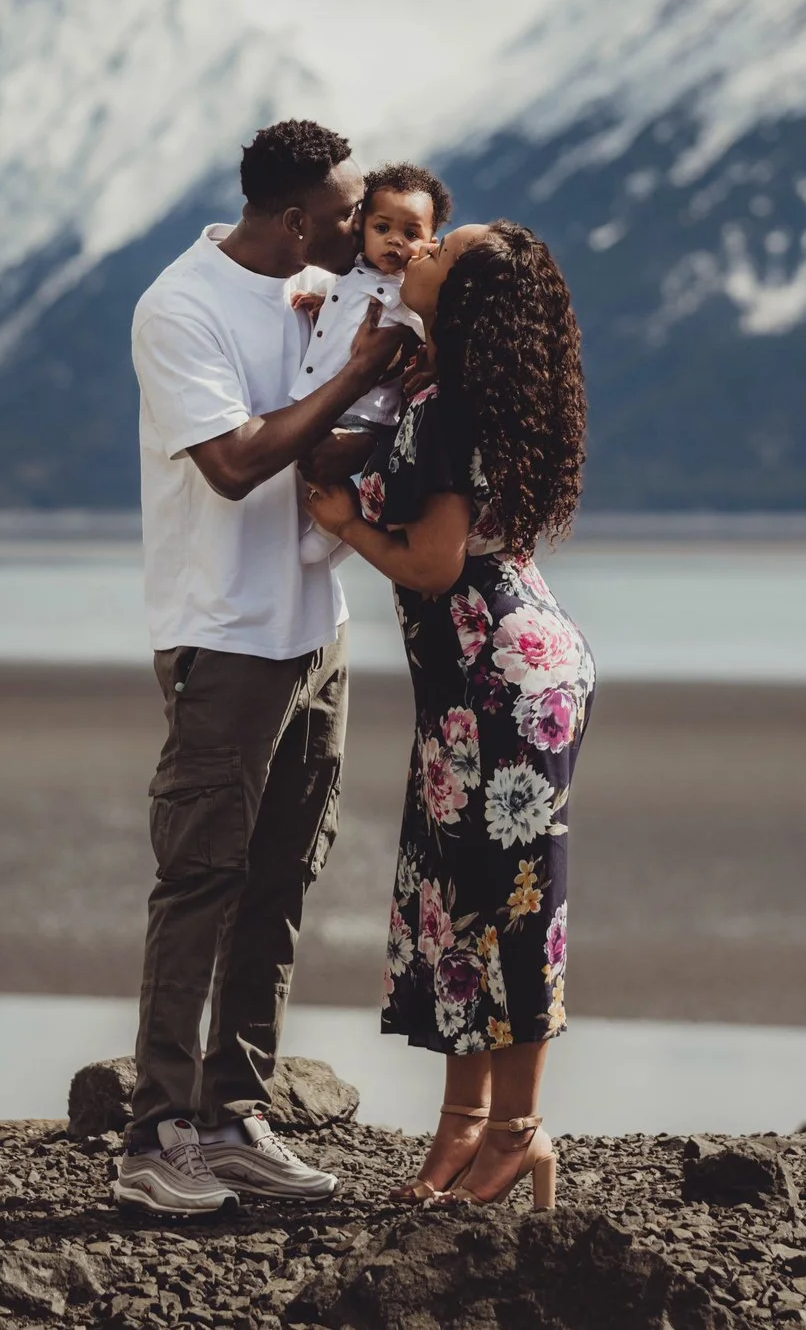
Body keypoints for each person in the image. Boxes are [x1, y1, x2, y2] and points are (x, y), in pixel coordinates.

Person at [115, 118, 412, 1217]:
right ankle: (153, 1135)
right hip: (224, 635)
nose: (358, 231)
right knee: (201, 877)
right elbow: (237, 462)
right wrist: (361, 375)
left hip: (314, 630)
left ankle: (236, 1115)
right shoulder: (178, 306)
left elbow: (322, 444)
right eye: (344, 216)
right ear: (293, 217)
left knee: (283, 875)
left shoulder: (321, 298)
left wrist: (387, 386)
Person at [301, 219, 591, 1211]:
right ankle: (465, 1130)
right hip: (494, 671)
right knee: (459, 903)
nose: (415, 249)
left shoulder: (452, 407)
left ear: (462, 298)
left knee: (508, 905)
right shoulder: (450, 387)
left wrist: (344, 524)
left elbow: (432, 563)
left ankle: (515, 1133)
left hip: (496, 679)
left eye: (439, 253)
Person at [292, 163, 450, 566]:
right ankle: (350, 524)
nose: (395, 241)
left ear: (431, 243)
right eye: (383, 229)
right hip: (326, 391)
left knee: (323, 461)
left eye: (411, 234)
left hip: (367, 410)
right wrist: (321, 301)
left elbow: (426, 329)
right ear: (362, 226)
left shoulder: (408, 292)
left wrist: (430, 358)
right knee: (304, 454)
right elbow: (343, 299)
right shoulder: (349, 274)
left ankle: (334, 532)